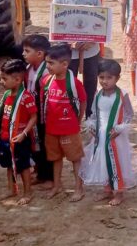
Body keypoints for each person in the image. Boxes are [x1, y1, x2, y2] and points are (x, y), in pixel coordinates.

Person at [81, 59, 137, 206]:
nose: (105, 81)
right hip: (101, 135)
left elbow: (129, 114)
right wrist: (92, 125)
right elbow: (94, 113)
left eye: (109, 78)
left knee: (116, 162)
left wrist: (121, 128)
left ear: (117, 78)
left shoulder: (122, 94)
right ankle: (107, 189)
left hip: (115, 135)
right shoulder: (98, 95)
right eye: (101, 77)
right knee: (103, 161)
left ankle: (119, 192)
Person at [52, 0, 101, 116]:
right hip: (69, 52)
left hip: (91, 51)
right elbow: (56, 26)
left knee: (91, 84)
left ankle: (88, 115)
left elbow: (100, 23)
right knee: (69, 83)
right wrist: (69, 43)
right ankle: (71, 114)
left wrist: (91, 41)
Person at [41, 43, 88, 202]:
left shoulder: (74, 83)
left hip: (69, 129)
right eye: (46, 62)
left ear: (65, 64)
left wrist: (78, 120)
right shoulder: (46, 81)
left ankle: (78, 188)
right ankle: (56, 186)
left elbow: (83, 102)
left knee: (75, 159)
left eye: (51, 63)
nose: (48, 66)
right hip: (51, 129)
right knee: (55, 158)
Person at [0, 59, 38, 205]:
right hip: (5, 137)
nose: (1, 82)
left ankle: (28, 192)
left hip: (19, 139)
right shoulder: (6, 95)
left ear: (17, 79)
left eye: (4, 78)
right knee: (9, 165)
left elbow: (34, 117)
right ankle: (12, 189)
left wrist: (24, 133)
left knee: (23, 166)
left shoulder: (26, 97)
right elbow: (2, 113)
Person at [22, 34, 53, 185]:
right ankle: (40, 170)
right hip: (32, 113)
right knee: (35, 143)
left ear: (39, 54)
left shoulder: (46, 72)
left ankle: (47, 175)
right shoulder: (29, 68)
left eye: (27, 51)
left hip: (43, 116)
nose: (23, 54)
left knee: (44, 143)